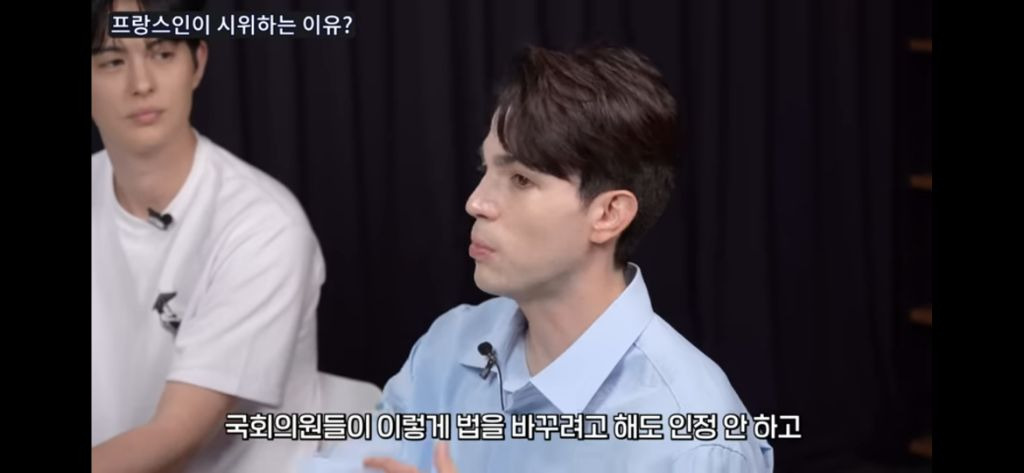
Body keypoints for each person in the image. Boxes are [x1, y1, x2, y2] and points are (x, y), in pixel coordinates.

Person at [306, 45, 774, 473]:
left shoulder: (693, 441)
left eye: (521, 179)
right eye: (485, 169)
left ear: (608, 214)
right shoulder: (450, 346)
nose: (476, 202)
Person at [91, 0, 325, 471]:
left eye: (162, 54)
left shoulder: (263, 225)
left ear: (196, 63)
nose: (141, 84)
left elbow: (176, 436)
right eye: (112, 62)